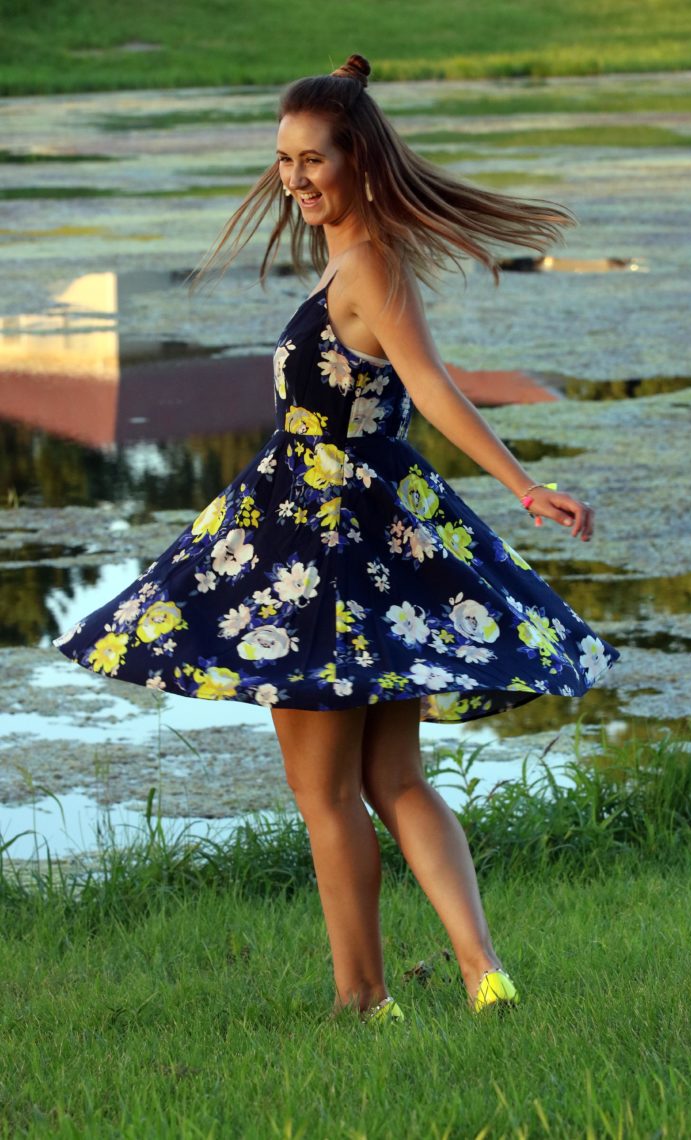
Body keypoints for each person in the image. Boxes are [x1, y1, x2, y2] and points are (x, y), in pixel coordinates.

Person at [55, 54, 619, 1023]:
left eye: (312, 160)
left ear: (358, 158)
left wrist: (524, 485)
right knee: (391, 777)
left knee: (327, 797)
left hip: (324, 553)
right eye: (283, 162)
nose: (295, 179)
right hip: (361, 538)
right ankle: (483, 973)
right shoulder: (361, 259)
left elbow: (435, 386)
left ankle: (363, 1000)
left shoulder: (366, 268)